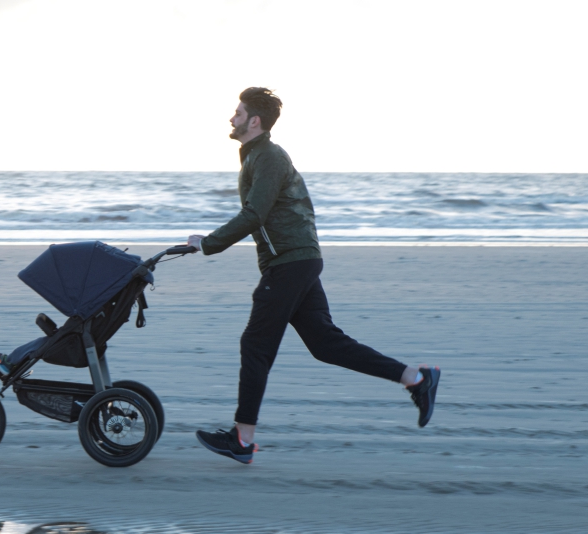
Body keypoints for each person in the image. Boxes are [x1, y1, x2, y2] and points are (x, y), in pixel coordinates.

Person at [188, 87, 440, 464]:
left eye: (238, 112)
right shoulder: (258, 157)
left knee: (255, 345)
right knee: (325, 344)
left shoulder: (269, 157)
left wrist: (207, 243)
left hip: (290, 263)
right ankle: (415, 378)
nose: (232, 117)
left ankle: (242, 439)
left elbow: (255, 214)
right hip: (297, 260)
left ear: (254, 121)